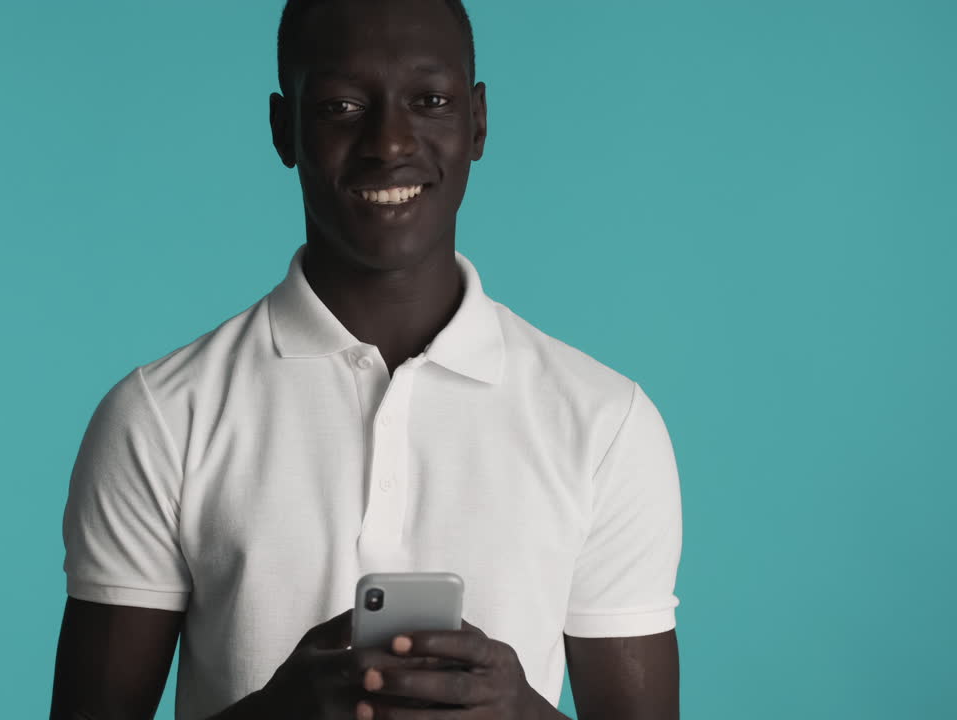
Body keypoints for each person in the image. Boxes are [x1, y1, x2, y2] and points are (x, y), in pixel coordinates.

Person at [49, 0, 683, 718]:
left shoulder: (606, 423)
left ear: (477, 121)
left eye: (431, 100)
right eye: (341, 106)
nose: (388, 142)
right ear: (282, 130)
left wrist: (521, 713)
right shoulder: (160, 418)